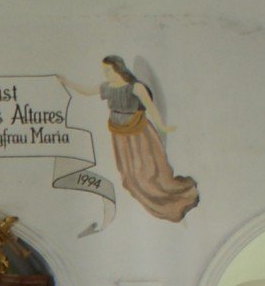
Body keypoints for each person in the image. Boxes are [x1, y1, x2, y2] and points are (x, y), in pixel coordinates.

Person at [61, 55, 198, 221]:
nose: (105, 73)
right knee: (129, 176)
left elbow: (151, 108)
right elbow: (87, 91)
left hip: (139, 134)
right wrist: (66, 82)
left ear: (118, 68)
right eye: (104, 70)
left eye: (108, 70)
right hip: (120, 136)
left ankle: (168, 202)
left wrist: (162, 126)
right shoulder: (108, 87)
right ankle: (150, 201)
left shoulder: (135, 87)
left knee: (146, 172)